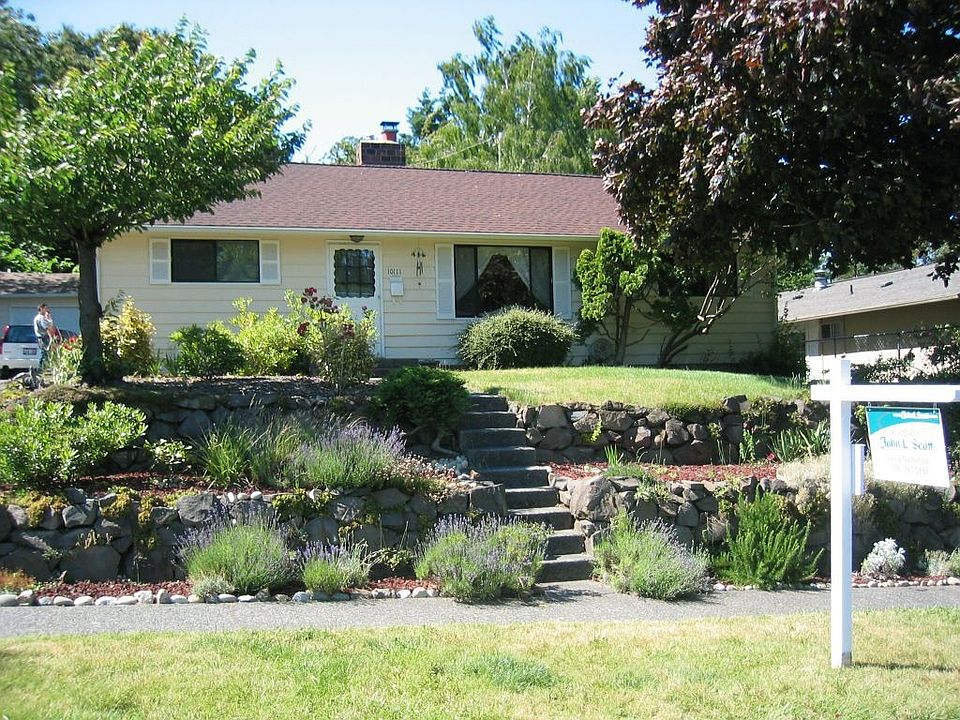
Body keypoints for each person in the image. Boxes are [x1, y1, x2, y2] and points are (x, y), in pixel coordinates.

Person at [32, 303, 57, 368]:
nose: (47, 310)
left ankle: (43, 369)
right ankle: (41, 369)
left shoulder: (37, 317)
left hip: (40, 337)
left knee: (44, 353)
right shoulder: (41, 318)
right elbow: (48, 328)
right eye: (45, 308)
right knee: (45, 354)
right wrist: (51, 337)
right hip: (44, 337)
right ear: (41, 309)